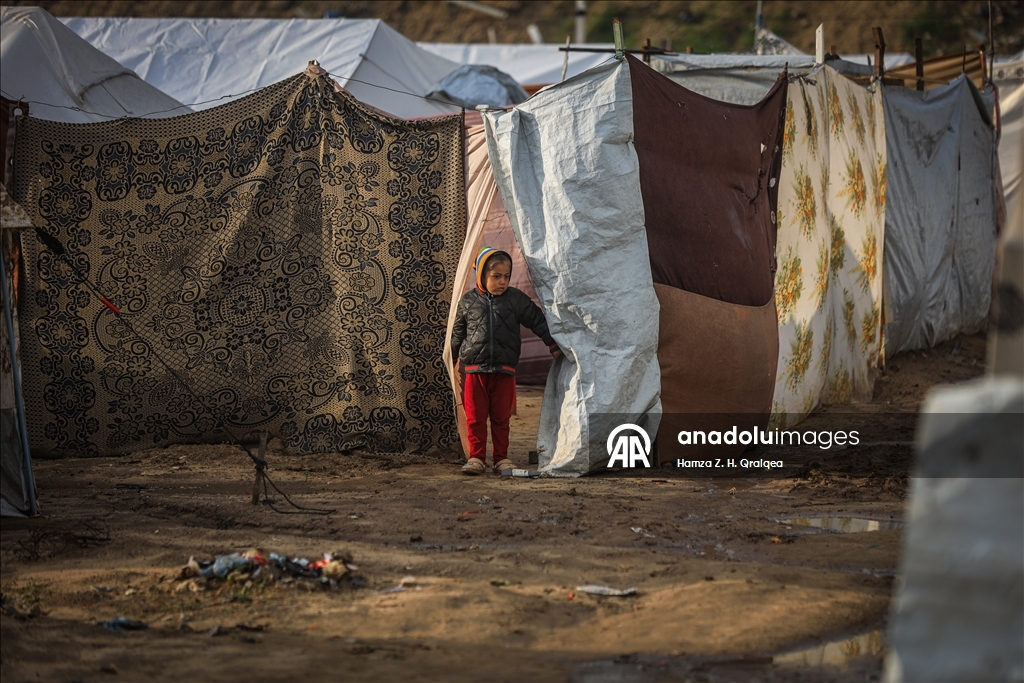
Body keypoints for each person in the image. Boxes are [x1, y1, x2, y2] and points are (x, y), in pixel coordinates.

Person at [451, 247, 562, 475]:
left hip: (504, 371)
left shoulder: (516, 300)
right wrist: (451, 359)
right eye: (496, 276)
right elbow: (457, 335)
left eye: (506, 276)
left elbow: (537, 320)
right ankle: (477, 458)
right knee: (475, 418)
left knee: (501, 418)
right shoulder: (468, 302)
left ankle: (501, 458)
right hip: (474, 372)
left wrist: (552, 343)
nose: (502, 281)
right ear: (481, 275)